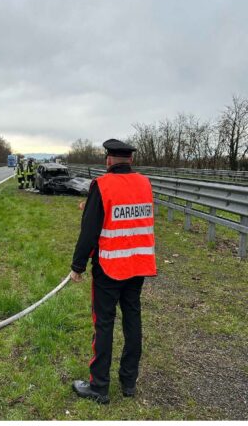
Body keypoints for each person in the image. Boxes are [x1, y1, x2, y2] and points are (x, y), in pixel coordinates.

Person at [70, 138, 157, 404]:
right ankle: (129, 382)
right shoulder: (144, 183)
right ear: (130, 159)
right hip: (138, 265)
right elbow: (129, 213)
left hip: (110, 267)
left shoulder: (102, 185)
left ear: (108, 159)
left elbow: (90, 230)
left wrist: (78, 266)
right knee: (133, 322)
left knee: (104, 324)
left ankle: (99, 386)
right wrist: (94, 206)